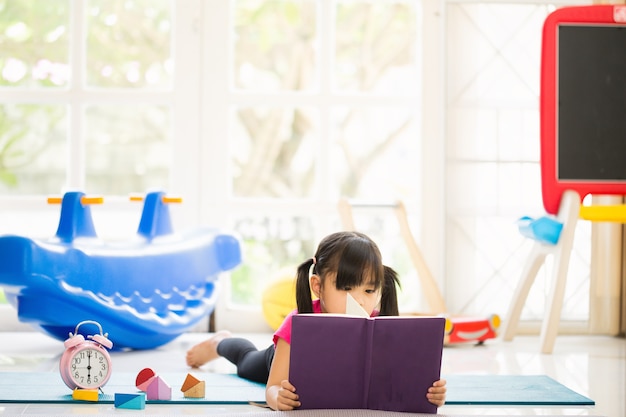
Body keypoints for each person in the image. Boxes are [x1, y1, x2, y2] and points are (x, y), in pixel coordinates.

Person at [186, 231, 447, 411]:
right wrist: (278, 398)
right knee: (246, 361)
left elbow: (398, 378)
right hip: (277, 362)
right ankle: (221, 342)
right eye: (346, 288)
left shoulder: (381, 325)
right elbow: (272, 387)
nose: (361, 302)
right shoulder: (298, 324)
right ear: (318, 287)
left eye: (369, 291)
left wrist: (431, 392)